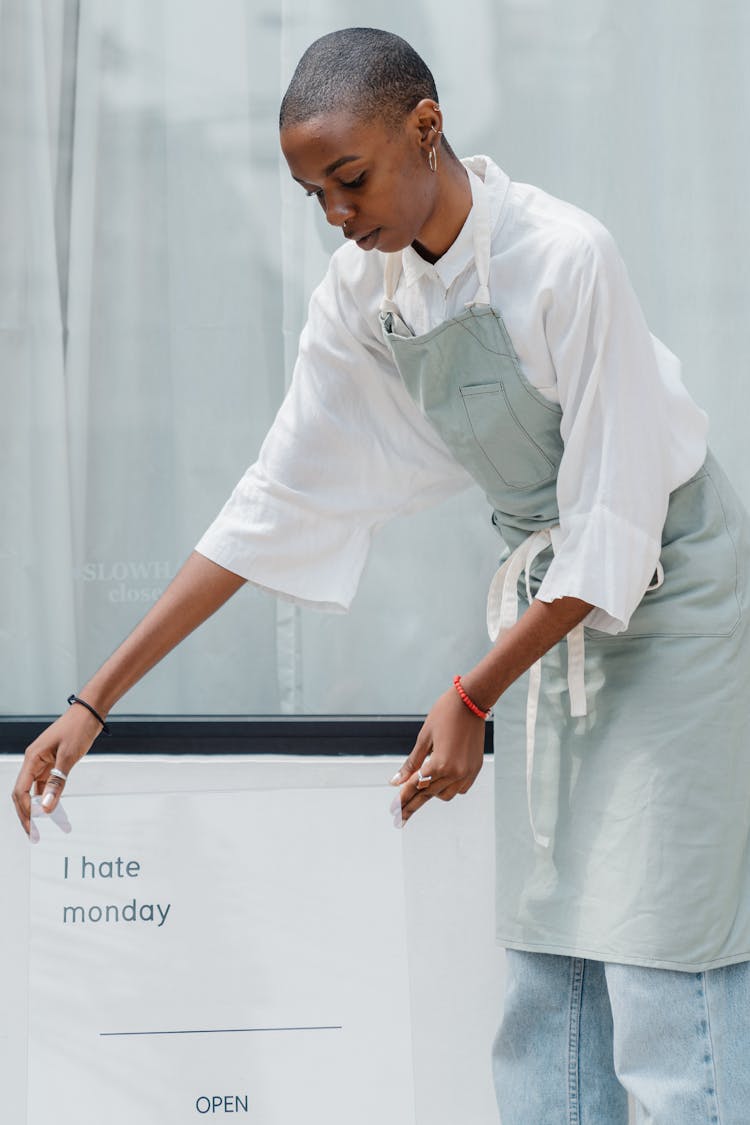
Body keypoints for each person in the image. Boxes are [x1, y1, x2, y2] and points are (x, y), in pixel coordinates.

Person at [13, 26, 750, 1124]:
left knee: (657, 958)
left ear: (427, 126)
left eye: (348, 180)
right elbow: (269, 504)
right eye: (315, 195)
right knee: (552, 979)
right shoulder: (365, 296)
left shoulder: (566, 255)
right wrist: (92, 703)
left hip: (670, 594)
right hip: (548, 619)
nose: (339, 217)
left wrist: (469, 694)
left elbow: (613, 533)